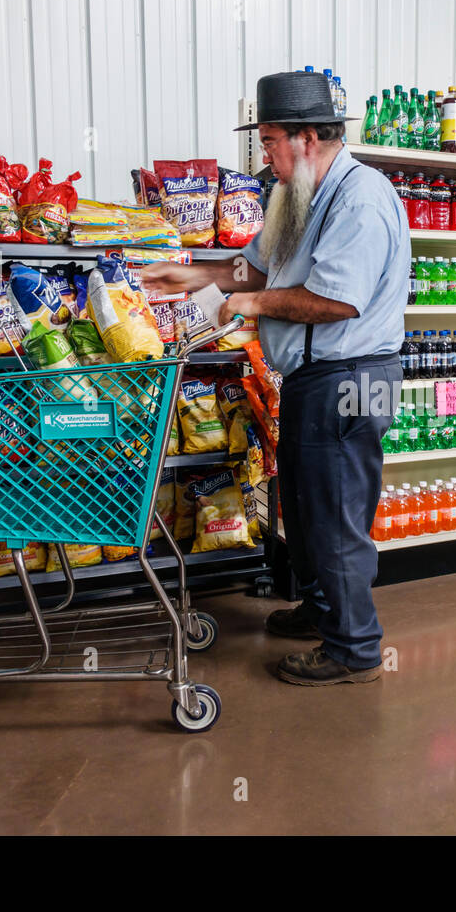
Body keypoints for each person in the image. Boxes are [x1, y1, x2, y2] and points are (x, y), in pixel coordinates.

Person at [141, 71, 408, 686]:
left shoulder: (360, 198)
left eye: (268, 141)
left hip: (353, 377)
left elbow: (339, 301)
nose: (265, 155)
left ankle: (354, 649)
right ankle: (323, 614)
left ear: (307, 137)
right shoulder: (299, 195)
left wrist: (252, 307)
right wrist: (192, 277)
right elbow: (254, 267)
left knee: (336, 514)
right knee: (309, 511)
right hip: (317, 379)